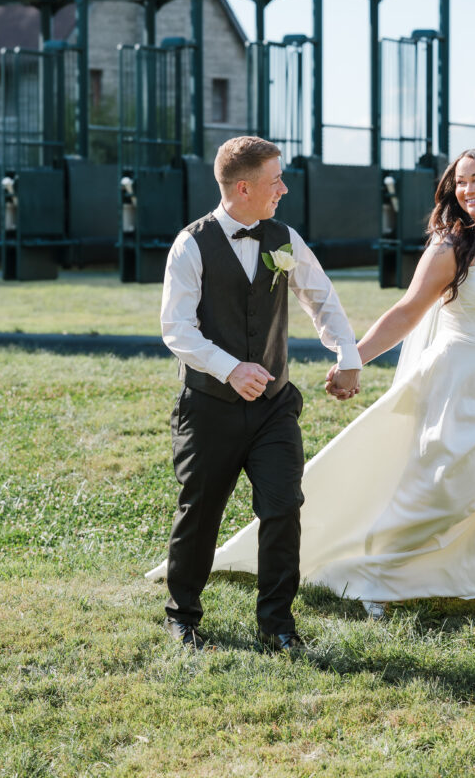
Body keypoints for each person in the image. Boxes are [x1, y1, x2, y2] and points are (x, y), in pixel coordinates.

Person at [212, 147, 475, 632]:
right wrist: (352, 358)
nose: (468, 190)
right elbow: (407, 312)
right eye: (460, 183)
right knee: (443, 492)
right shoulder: (450, 247)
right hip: (465, 383)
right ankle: (374, 576)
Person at [148, 136, 360, 654]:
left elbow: (321, 298)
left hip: (272, 408)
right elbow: (176, 329)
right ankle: (184, 618)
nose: (283, 189)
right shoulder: (191, 244)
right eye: (275, 181)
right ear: (243, 187)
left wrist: (347, 354)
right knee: (200, 511)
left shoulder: (285, 239)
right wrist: (228, 369)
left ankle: (278, 626)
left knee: (283, 507)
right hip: (208, 409)